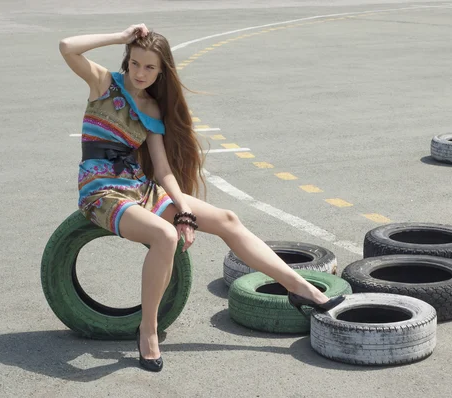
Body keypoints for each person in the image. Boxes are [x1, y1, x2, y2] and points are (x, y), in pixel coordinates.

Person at [59, 24, 345, 372]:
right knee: (164, 236)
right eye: (135, 63)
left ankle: (301, 289)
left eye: (150, 67)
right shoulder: (104, 83)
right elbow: (67, 46)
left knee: (227, 219)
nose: (140, 73)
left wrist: (184, 211)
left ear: (162, 70)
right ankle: (148, 330)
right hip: (100, 188)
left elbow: (163, 171)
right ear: (127, 60)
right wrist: (121, 36)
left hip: (138, 187)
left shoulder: (153, 110)